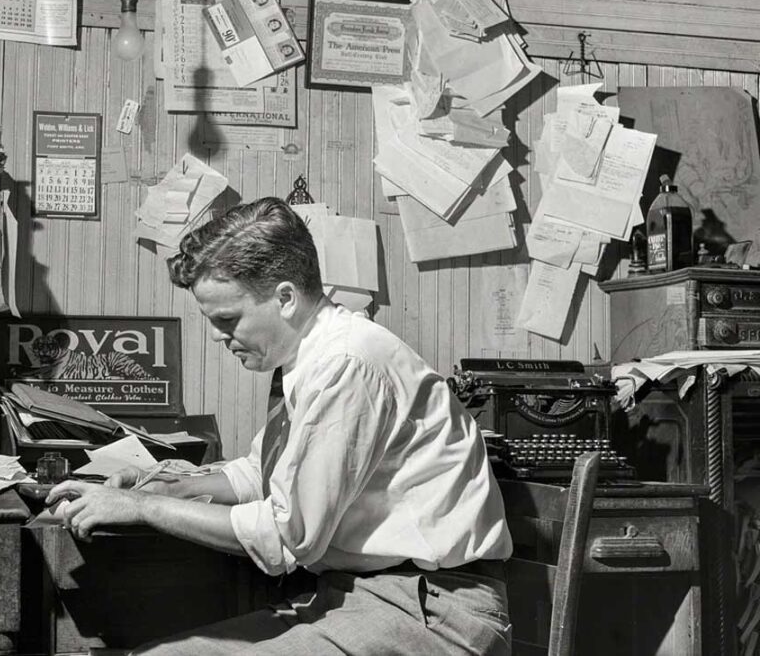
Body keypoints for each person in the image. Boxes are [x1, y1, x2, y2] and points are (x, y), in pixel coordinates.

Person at [47, 197, 513, 655]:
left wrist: (139, 508)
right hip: (365, 596)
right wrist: (166, 489)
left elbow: (287, 536)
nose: (216, 335)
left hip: (435, 614)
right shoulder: (309, 359)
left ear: (285, 298)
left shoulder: (346, 364)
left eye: (227, 318)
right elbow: (258, 473)